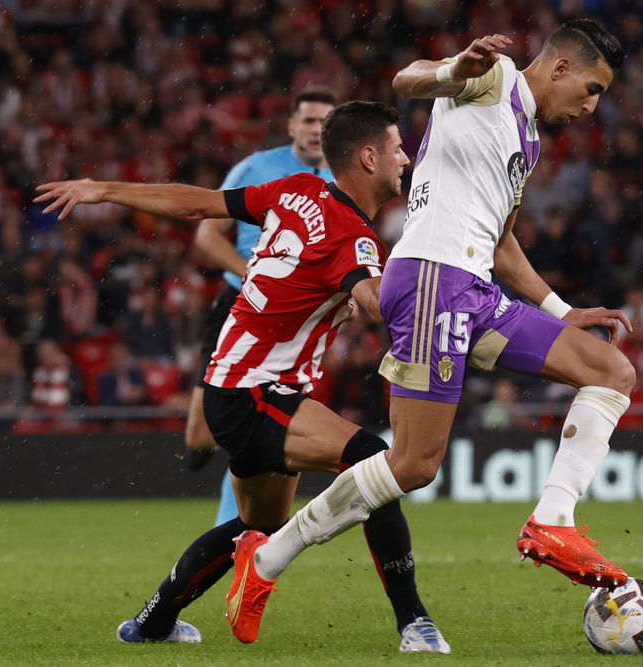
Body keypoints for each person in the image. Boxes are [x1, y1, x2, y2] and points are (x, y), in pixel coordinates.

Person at [232, 20, 635, 644]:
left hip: (473, 288)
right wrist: (453, 70)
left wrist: (559, 310)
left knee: (611, 370)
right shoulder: (490, 78)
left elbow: (501, 245)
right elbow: (408, 79)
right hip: (429, 282)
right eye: (591, 88)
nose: (591, 105)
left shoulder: (525, 139)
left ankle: (553, 520)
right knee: (415, 464)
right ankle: (263, 561)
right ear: (558, 68)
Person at [34, 101, 450, 653]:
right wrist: (431, 277)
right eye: (398, 147)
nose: (406, 157)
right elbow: (375, 302)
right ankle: (414, 623)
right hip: (257, 391)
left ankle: (153, 622)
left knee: (254, 529)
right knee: (378, 465)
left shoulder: (295, 189)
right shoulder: (354, 239)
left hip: (229, 389)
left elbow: (196, 207)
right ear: (369, 157)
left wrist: (104, 188)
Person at [188, 86, 336, 527]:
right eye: (308, 121)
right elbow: (206, 234)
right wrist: (251, 274)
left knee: (261, 432)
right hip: (241, 302)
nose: (316, 130)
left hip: (295, 314)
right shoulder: (257, 168)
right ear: (292, 125)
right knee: (199, 435)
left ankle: (237, 534)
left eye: (325, 123)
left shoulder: (343, 178)